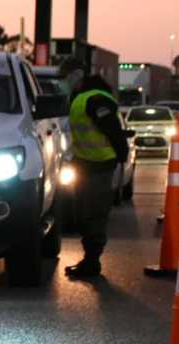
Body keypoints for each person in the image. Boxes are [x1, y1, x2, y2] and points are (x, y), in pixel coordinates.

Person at [64, 73, 130, 278]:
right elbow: (112, 128)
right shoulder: (98, 99)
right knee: (90, 213)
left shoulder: (80, 100)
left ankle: (92, 261)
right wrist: (122, 152)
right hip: (95, 163)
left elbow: (107, 127)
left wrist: (121, 152)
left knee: (90, 213)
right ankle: (90, 259)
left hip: (91, 164)